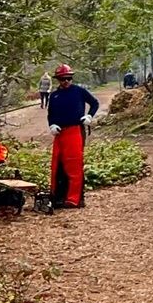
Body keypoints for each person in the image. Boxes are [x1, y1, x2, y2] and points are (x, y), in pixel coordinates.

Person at [46, 64, 99, 208]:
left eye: (69, 78)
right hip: (60, 132)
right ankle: (58, 196)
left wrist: (89, 116)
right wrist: (52, 125)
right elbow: (50, 114)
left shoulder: (79, 91)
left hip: (76, 130)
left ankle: (75, 198)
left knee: (74, 163)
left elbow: (94, 103)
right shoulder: (54, 96)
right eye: (63, 79)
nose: (66, 81)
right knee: (58, 163)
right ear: (58, 79)